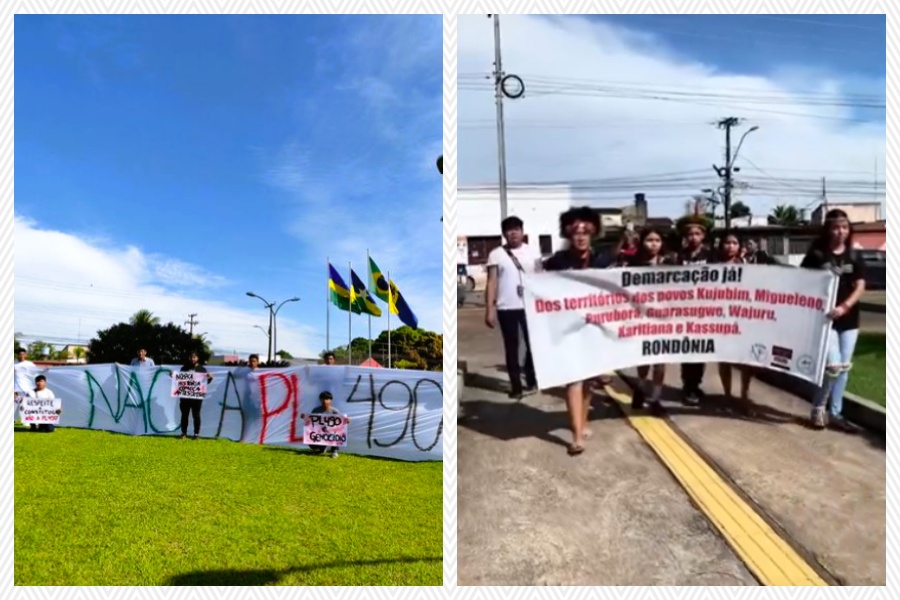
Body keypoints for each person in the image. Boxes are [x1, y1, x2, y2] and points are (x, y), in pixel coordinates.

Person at [542, 206, 606, 456]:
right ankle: (576, 436)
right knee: (574, 379)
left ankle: (583, 421)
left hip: (595, 328)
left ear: (592, 234)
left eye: (585, 232)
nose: (580, 237)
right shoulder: (557, 262)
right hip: (567, 328)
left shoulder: (602, 260)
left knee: (588, 381)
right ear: (568, 235)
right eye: (575, 233)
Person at [801, 209, 866, 432]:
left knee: (844, 369)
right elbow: (801, 284)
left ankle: (836, 413)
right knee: (833, 366)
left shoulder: (854, 255)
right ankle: (818, 408)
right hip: (824, 320)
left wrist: (845, 306)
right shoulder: (816, 256)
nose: (841, 231)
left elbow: (860, 285)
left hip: (850, 321)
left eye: (845, 227)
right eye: (836, 227)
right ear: (828, 229)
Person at [485, 216, 543, 399]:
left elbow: (541, 279)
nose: (513, 233)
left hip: (530, 306)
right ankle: (516, 387)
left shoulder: (534, 252)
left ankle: (531, 377)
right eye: (509, 230)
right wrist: (489, 309)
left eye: (516, 229)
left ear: (522, 231)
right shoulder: (496, 254)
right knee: (511, 347)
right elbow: (492, 282)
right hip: (506, 308)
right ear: (504, 234)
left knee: (534, 345)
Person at [626, 227, 672, 413]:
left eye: (657, 240)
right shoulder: (633, 265)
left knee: (660, 361)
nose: (653, 244)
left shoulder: (670, 263)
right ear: (642, 242)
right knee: (644, 358)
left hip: (664, 318)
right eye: (649, 240)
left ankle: (655, 398)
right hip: (642, 318)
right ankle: (640, 388)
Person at [674, 216, 714, 406]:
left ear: (703, 236)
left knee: (701, 351)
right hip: (683, 312)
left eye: (697, 233)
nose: (693, 237)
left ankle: (695, 384)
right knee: (687, 351)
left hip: (705, 311)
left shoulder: (711, 256)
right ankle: (687, 386)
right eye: (689, 234)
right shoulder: (677, 257)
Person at [716, 231, 755, 415]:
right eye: (727, 243)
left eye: (734, 243)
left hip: (743, 317)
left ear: (740, 246)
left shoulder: (748, 266)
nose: (730, 246)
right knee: (724, 359)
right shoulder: (713, 267)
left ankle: (744, 396)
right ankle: (727, 395)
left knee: (746, 360)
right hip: (720, 318)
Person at [174, 352, 213, 440]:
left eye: (194, 357)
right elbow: (179, 381)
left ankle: (196, 434)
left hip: (196, 397)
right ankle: (183, 433)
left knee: (196, 415)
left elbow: (205, 383)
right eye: (191, 357)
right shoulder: (184, 368)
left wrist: (210, 378)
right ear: (189, 358)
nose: (193, 359)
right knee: (184, 415)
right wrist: (172, 376)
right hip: (185, 397)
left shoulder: (202, 369)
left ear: (197, 358)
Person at [300, 391, 350, 458]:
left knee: (337, 435)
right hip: (320, 433)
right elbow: (311, 421)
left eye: (327, 399)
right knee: (311, 438)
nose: (324, 401)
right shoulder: (316, 410)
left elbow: (341, 423)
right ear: (320, 400)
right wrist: (305, 417)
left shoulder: (335, 411)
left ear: (331, 400)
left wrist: (347, 420)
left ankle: (334, 450)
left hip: (331, 432)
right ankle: (321, 449)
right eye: (323, 399)